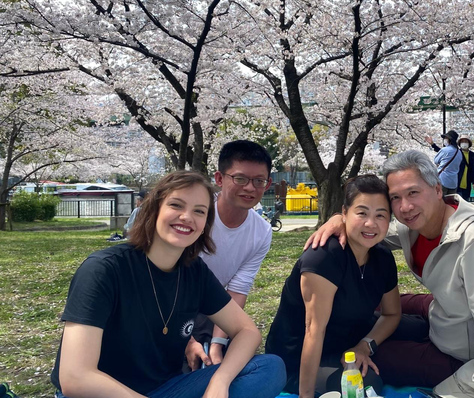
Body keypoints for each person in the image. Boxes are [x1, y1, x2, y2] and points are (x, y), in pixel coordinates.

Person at [307, 150, 474, 398]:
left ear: (437, 189)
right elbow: (371, 231)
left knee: (382, 354)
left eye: (413, 193)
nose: (405, 207)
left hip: (467, 352)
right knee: (377, 306)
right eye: (395, 198)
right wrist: (340, 219)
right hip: (445, 312)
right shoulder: (413, 226)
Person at [50, 170, 286, 398]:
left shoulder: (195, 272)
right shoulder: (104, 269)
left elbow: (247, 331)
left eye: (199, 211)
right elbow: (75, 377)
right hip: (102, 393)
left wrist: (220, 381)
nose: (187, 217)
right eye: (176, 205)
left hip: (166, 388)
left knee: (269, 368)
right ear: (154, 210)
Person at [266, 175, 401, 397]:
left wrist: (363, 346)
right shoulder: (324, 257)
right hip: (299, 359)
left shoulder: (382, 256)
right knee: (365, 386)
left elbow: (393, 313)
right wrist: (305, 394)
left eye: (380, 215)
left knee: (417, 329)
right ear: (344, 213)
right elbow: (313, 331)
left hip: (348, 340)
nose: (371, 223)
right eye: (362, 213)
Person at [186, 140, 274, 369]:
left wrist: (217, 343)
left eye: (259, 181)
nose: (250, 188)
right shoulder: (196, 215)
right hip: (166, 306)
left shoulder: (262, 231)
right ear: (219, 179)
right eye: (240, 179)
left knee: (254, 363)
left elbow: (237, 290)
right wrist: (186, 340)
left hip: (212, 309)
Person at [425, 129, 462, 196]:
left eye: (445, 138)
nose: (444, 139)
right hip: (453, 182)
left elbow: (436, 160)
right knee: (450, 203)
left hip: (443, 180)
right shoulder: (459, 153)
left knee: (440, 201)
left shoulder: (445, 150)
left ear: (449, 139)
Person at [456, 136, 474, 201]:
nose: (464, 143)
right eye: (462, 142)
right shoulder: (457, 153)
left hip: (467, 183)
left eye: (465, 142)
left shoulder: (471, 154)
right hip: (457, 182)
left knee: (465, 201)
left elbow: (473, 168)